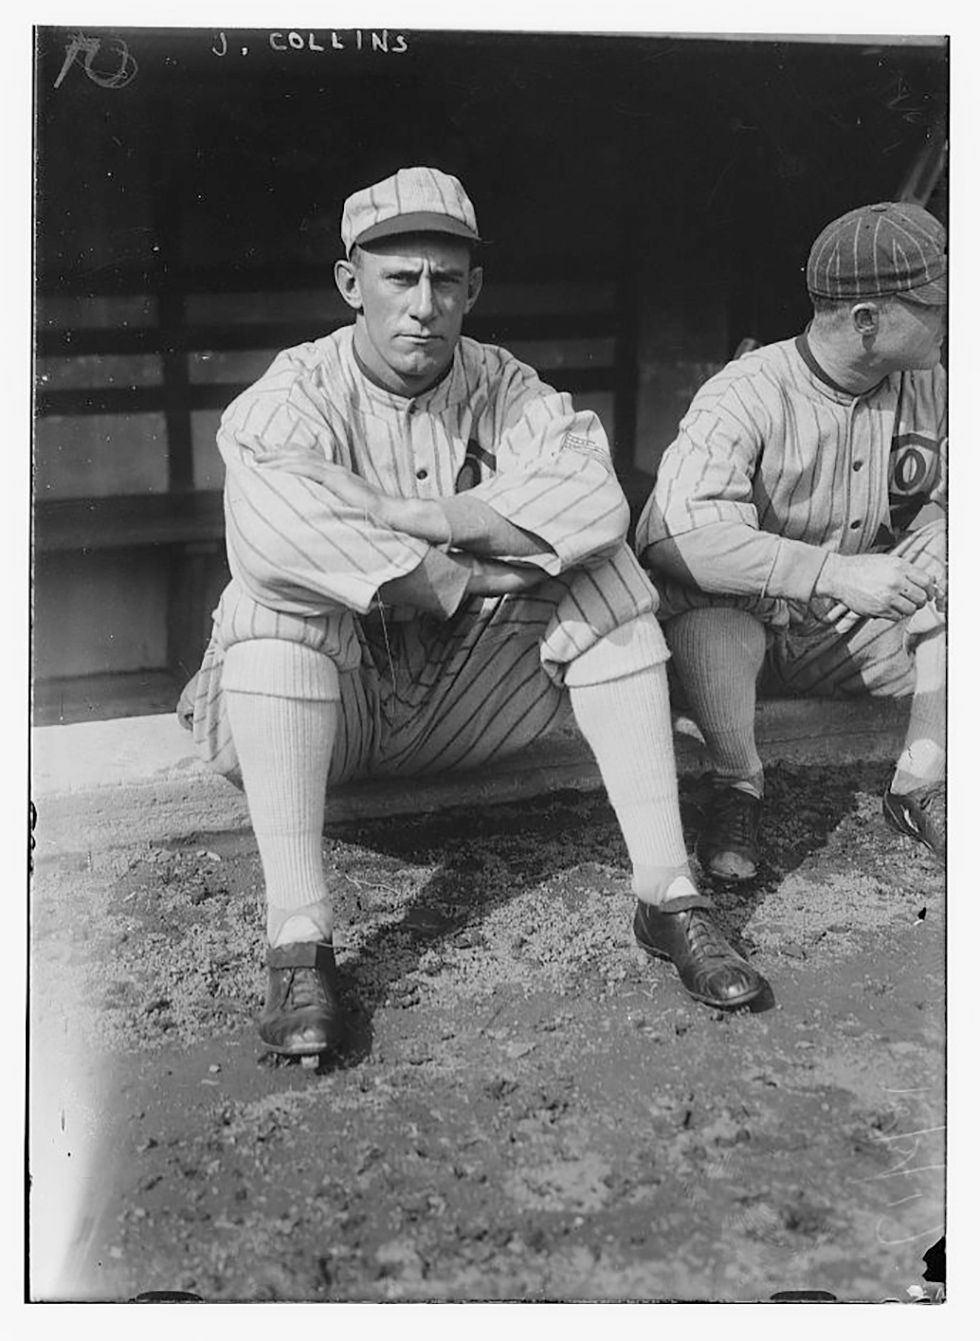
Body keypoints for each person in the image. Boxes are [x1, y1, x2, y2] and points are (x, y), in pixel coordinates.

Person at [180, 165, 769, 1057]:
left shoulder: (506, 384)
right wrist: (456, 573)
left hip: (460, 701)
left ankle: (667, 892)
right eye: (400, 277)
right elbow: (272, 535)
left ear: (472, 288)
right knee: (271, 614)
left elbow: (594, 499)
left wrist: (428, 519)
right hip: (323, 719)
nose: (425, 303)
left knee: (607, 580)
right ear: (352, 285)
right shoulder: (295, 389)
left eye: (445, 279)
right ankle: (298, 940)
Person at [636, 201, 947, 885]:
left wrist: (930, 536)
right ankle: (737, 787)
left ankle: (921, 779)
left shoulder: (930, 380)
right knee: (710, 611)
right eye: (936, 303)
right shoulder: (747, 390)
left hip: (844, 636)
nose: (953, 315)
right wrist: (829, 572)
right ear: (867, 321)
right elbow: (671, 537)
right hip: (737, 639)